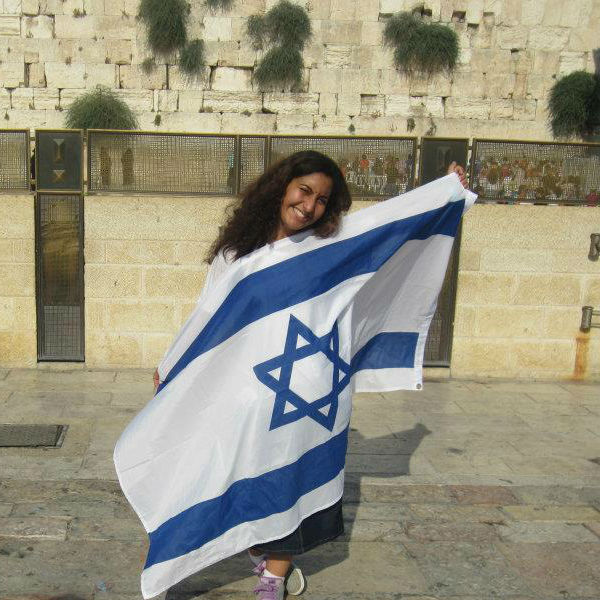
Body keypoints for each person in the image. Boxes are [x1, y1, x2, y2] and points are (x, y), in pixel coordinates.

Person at [153, 151, 467, 600]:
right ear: (283, 186)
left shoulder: (328, 250)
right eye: (304, 190)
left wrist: (445, 190)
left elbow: (391, 230)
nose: (309, 205)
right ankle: (179, 562)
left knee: (289, 481)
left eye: (322, 200)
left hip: (305, 392)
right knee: (205, 470)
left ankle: (274, 578)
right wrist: (171, 366)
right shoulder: (237, 253)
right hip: (241, 392)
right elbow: (207, 316)